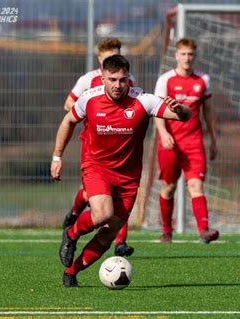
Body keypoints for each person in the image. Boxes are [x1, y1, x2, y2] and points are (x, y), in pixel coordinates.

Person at [51, 54, 192, 288]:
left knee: (108, 233)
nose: (118, 85)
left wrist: (181, 109)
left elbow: (183, 117)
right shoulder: (89, 99)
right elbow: (67, 122)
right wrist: (57, 156)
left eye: (123, 80)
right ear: (103, 78)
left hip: (128, 178)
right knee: (103, 213)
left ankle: (71, 271)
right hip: (96, 167)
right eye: (112, 79)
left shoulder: (143, 100)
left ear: (129, 80)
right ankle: (72, 233)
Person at [62, 38, 135, 257]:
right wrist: (91, 113)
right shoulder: (88, 80)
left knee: (119, 197)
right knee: (93, 195)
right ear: (99, 62)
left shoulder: (125, 80)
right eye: (107, 60)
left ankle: (120, 241)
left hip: (120, 144)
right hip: (94, 146)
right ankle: (75, 213)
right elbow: (68, 104)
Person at [154, 38, 219, 244]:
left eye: (190, 54)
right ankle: (166, 231)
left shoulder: (203, 80)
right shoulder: (166, 80)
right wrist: (163, 134)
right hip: (170, 142)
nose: (187, 58)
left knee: (196, 186)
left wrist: (213, 140)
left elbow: (207, 112)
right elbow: (157, 111)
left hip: (194, 142)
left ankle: (204, 231)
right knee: (169, 187)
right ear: (176, 55)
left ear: (195, 56)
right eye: (183, 54)